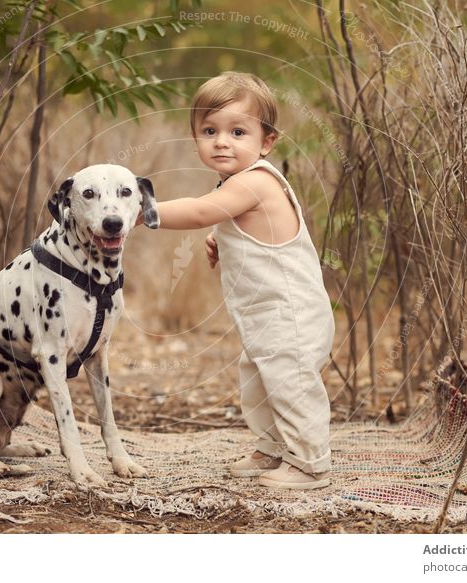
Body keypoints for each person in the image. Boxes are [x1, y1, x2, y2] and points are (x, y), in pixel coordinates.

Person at [141, 71, 335, 489]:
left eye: (237, 131)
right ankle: (273, 447)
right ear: (195, 138)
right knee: (260, 381)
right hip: (265, 316)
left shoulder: (257, 181)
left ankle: (310, 463)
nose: (221, 141)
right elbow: (235, 223)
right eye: (209, 130)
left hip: (292, 314)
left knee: (291, 383)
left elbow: (198, 211)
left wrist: (142, 211)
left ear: (266, 142)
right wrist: (221, 240)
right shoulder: (238, 185)